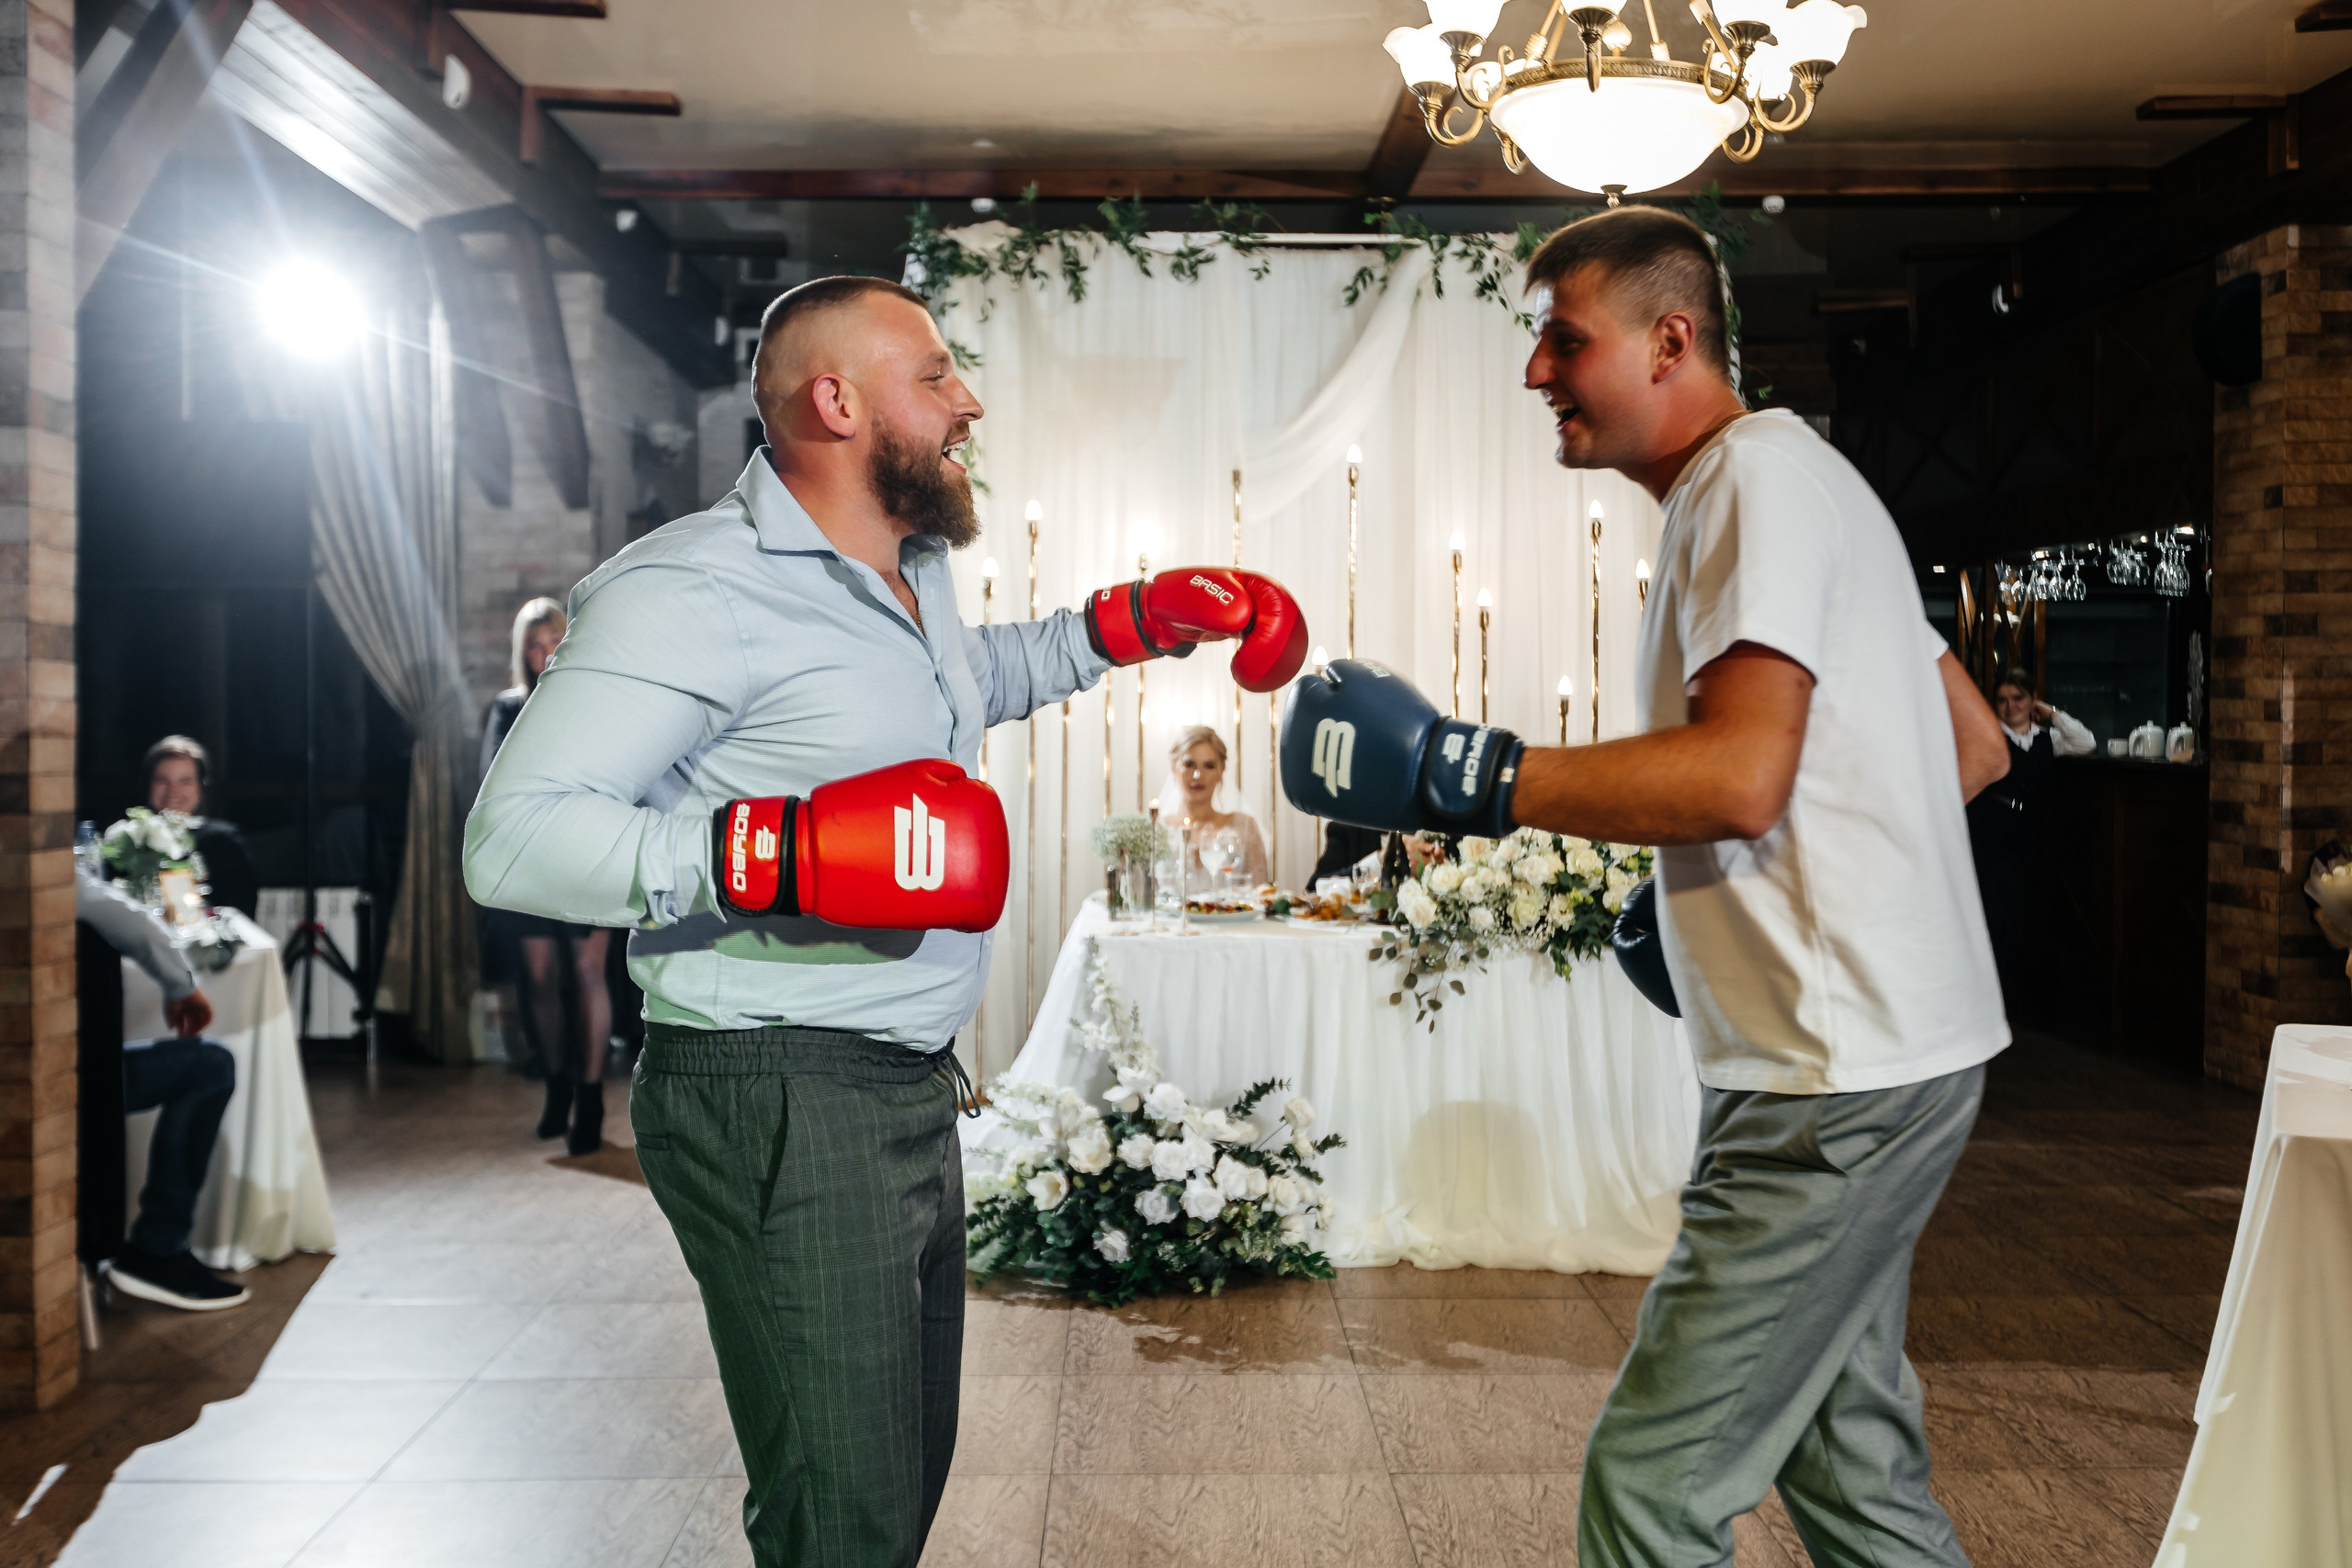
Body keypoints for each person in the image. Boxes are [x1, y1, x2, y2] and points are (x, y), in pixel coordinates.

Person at [464, 275, 1306, 1568]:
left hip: (901, 1083)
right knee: (841, 1513)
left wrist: (1121, 627)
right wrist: (772, 851)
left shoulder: (909, 572)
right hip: (778, 1085)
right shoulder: (690, 587)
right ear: (837, 399)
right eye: (936, 373)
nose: (968, 398)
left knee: (893, 1486)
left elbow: (969, 685)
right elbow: (512, 837)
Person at [1278, 206, 2012, 1567]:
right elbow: (1966, 746)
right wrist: (1740, 898)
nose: (1536, 372)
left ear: (1671, 339)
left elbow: (1739, 774)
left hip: (1830, 1083)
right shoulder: (1800, 481)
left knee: (1650, 1490)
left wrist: (1465, 772)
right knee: (1854, 1473)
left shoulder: (1754, 484)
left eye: (1565, 339)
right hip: (1870, 1053)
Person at [76, 869, 248, 1311]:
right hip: (61, 1088)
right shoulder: (29, 859)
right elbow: (128, 921)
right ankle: (158, 1249)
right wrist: (181, 987)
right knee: (208, 1066)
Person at [481, 596, 615, 1155]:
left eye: (552, 642)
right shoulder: (508, 707)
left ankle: (591, 1097)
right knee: (536, 978)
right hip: (529, 857)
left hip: (588, 851)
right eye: (533, 647)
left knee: (587, 974)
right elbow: (490, 785)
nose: (543, 655)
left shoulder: (600, 697)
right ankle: (557, 1088)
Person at [1969, 668, 2094, 1004]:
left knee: (2025, 913)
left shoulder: (2045, 739)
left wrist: (2050, 711)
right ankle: (1987, 996)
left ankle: (2012, 997)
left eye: (2019, 698)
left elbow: (2086, 742)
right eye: (2003, 700)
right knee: (1995, 912)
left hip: (2027, 832)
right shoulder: (1989, 735)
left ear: (2031, 699)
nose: (2010, 707)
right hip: (1991, 830)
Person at [141, 736, 258, 918]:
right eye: (162, 780)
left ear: (200, 789)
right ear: (149, 786)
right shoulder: (130, 841)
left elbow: (240, 914)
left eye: (185, 781)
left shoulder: (224, 842)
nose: (173, 791)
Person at [1166, 726, 1270, 886]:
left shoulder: (1244, 827)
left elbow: (1260, 897)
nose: (1198, 775)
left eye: (1208, 766)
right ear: (1174, 768)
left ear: (1221, 772)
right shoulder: (1156, 829)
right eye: (1189, 764)